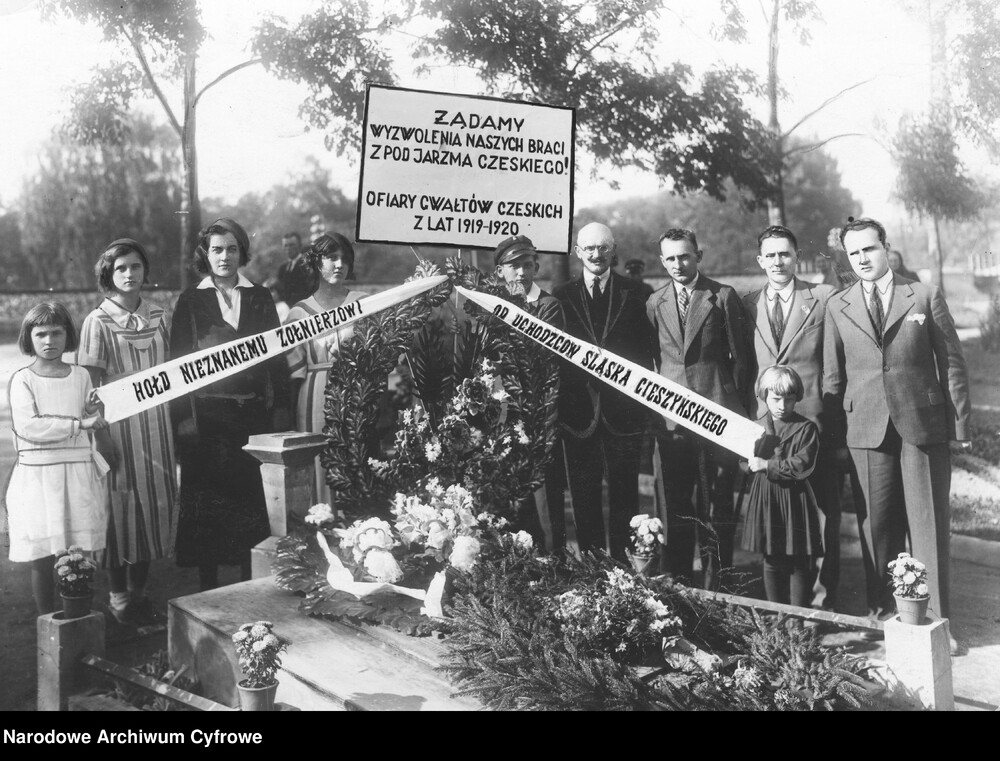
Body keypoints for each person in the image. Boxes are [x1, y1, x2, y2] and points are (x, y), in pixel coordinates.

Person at [823, 217, 971, 630]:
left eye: (869, 249)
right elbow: (833, 376)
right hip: (865, 428)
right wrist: (835, 438)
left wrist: (959, 427)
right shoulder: (838, 304)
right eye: (853, 252)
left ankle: (937, 621)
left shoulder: (923, 295)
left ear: (885, 247)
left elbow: (952, 364)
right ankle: (886, 615)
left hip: (922, 425)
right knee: (877, 526)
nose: (862, 259)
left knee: (928, 525)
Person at [170, 218, 291, 591]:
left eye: (232, 249)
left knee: (247, 503)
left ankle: (245, 585)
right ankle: (207, 589)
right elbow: (177, 367)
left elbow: (276, 359)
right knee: (208, 506)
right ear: (205, 255)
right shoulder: (191, 300)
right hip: (206, 422)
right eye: (217, 250)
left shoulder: (260, 297)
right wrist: (183, 421)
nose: (224, 257)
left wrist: (280, 410)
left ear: (242, 253)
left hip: (251, 419)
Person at [77, 239, 177, 625]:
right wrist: (100, 436)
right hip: (117, 427)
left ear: (145, 271)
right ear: (109, 274)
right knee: (119, 508)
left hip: (158, 425)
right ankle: (118, 596)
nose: (129, 274)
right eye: (121, 268)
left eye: (135, 266)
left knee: (153, 504)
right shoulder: (97, 321)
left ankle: (140, 593)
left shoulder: (160, 315)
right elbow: (89, 387)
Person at [742, 225, 840, 610]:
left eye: (785, 253)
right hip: (768, 427)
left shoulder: (822, 297)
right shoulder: (748, 304)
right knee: (778, 523)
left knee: (822, 514)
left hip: (813, 424)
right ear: (760, 260)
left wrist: (831, 419)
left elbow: (833, 365)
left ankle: (824, 601)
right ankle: (781, 609)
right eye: (770, 255)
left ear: (797, 256)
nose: (778, 261)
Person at [647, 228, 749, 590]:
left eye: (685, 256)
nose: (678, 264)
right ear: (662, 261)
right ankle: (680, 586)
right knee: (677, 504)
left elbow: (741, 361)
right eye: (671, 258)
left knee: (717, 504)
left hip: (717, 417)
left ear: (698, 256)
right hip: (673, 422)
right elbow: (656, 360)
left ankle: (719, 586)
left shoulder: (722, 296)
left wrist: (737, 417)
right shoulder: (655, 302)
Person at [552, 222, 656, 561]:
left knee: (625, 496)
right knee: (584, 497)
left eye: (603, 247)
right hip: (578, 415)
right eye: (589, 248)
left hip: (623, 413)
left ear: (614, 250)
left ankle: (623, 571)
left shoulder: (637, 292)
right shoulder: (561, 295)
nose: (596, 254)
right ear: (577, 252)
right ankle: (593, 570)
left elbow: (647, 352)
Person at [5, 302, 109, 614]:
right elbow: (29, 427)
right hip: (39, 475)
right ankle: (48, 620)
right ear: (29, 337)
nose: (49, 341)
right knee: (42, 554)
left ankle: (77, 619)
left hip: (77, 471)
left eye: (56, 333)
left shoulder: (81, 375)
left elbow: (86, 414)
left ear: (68, 336)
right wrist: (79, 424)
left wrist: (90, 411)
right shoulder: (23, 379)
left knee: (77, 553)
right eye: (41, 334)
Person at [492, 234, 565, 549]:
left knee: (545, 499)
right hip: (501, 417)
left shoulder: (548, 306)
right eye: (514, 266)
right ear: (500, 272)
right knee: (509, 500)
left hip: (538, 416)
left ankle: (554, 564)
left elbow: (541, 359)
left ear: (536, 267)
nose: (521, 272)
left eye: (527, 264)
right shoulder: (490, 307)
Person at [284, 232, 367, 505]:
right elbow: (294, 372)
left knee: (355, 459)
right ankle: (321, 520)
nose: (340, 264)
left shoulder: (364, 304)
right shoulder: (298, 313)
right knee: (319, 461)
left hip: (357, 393)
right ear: (317, 262)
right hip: (314, 396)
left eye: (345, 258)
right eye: (332, 257)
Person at [741, 365, 823, 608]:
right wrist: (748, 464)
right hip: (767, 497)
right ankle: (777, 614)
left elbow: (802, 464)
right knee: (771, 556)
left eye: (789, 399)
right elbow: (742, 459)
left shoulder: (806, 428)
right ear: (764, 396)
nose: (782, 405)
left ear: (797, 398)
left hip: (795, 498)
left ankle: (796, 618)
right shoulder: (755, 427)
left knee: (799, 558)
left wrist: (767, 465)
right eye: (776, 399)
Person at [275, 232, 317, 307]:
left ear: (300, 245)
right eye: (286, 245)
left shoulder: (307, 264)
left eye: (292, 245)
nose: (288, 248)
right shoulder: (282, 268)